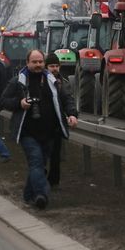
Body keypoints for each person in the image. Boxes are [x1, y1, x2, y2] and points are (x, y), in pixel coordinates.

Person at [0, 49, 77, 210]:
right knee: (36, 162)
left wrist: (71, 114)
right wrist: (19, 103)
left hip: (49, 132)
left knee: (40, 164)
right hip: (27, 132)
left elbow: (66, 99)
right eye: (34, 62)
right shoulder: (18, 82)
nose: (38, 65)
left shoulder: (53, 81)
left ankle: (28, 195)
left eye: (40, 62)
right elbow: (4, 100)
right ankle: (41, 194)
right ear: (27, 63)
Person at [44, 52, 76, 186]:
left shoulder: (63, 83)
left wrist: (72, 114)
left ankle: (54, 182)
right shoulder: (40, 81)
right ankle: (41, 176)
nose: (55, 68)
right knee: (42, 153)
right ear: (46, 67)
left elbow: (68, 100)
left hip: (57, 124)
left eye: (57, 66)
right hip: (42, 124)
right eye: (51, 66)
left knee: (56, 155)